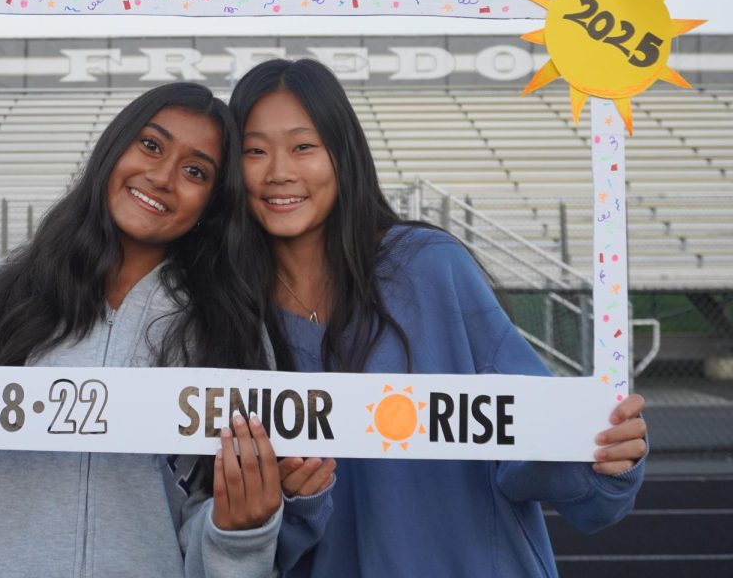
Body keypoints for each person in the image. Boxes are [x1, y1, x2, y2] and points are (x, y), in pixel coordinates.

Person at [0, 82, 334, 578]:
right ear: (113, 148)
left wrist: (240, 532)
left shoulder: (230, 328)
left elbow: (210, 553)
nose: (162, 176)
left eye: (195, 170)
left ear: (213, 203)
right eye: (151, 145)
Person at [229, 59, 648, 578]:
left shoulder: (428, 266)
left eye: (303, 146)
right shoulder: (228, 311)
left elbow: (538, 451)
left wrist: (603, 451)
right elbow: (241, 540)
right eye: (254, 150)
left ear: (343, 154)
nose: (278, 172)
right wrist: (290, 503)